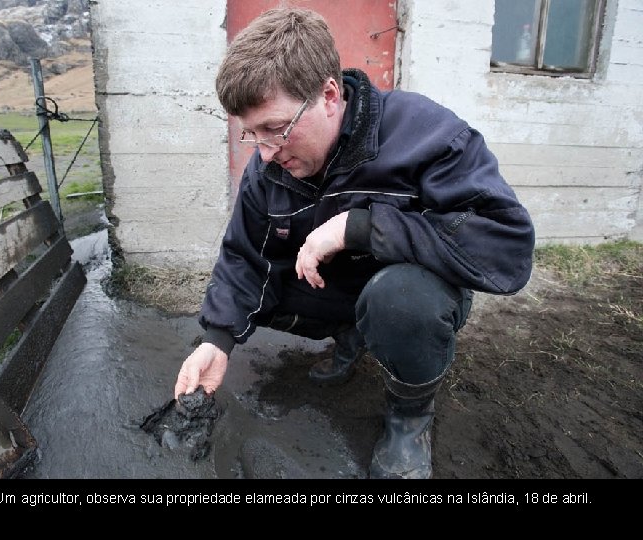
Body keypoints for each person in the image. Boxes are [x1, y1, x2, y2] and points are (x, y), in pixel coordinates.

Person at [174, 7, 535, 479]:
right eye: (251, 133)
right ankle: (352, 333)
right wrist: (217, 341)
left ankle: (410, 417)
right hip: (338, 288)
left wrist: (359, 228)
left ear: (328, 95)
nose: (263, 152)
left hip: (411, 292)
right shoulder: (268, 171)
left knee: (401, 300)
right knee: (260, 293)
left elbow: (505, 248)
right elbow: (245, 257)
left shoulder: (427, 136)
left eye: (275, 128)